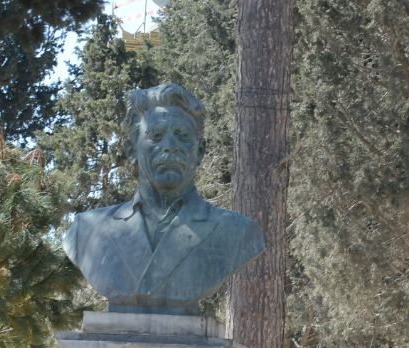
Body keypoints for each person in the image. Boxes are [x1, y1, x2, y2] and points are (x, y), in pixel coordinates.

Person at [63, 83, 265, 315]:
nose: (169, 147)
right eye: (156, 136)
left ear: (200, 151)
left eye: (182, 136)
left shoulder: (236, 232)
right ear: (131, 149)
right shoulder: (87, 230)